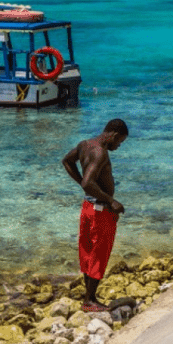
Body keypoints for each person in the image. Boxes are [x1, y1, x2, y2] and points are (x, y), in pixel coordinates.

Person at [61, 119, 129, 312]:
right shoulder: (100, 152)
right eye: (120, 142)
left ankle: (89, 297)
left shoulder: (85, 145)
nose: (118, 146)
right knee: (99, 253)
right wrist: (111, 200)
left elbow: (67, 161)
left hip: (88, 207)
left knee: (87, 252)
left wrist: (83, 183)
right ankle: (90, 300)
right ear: (113, 135)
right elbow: (88, 183)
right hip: (100, 211)